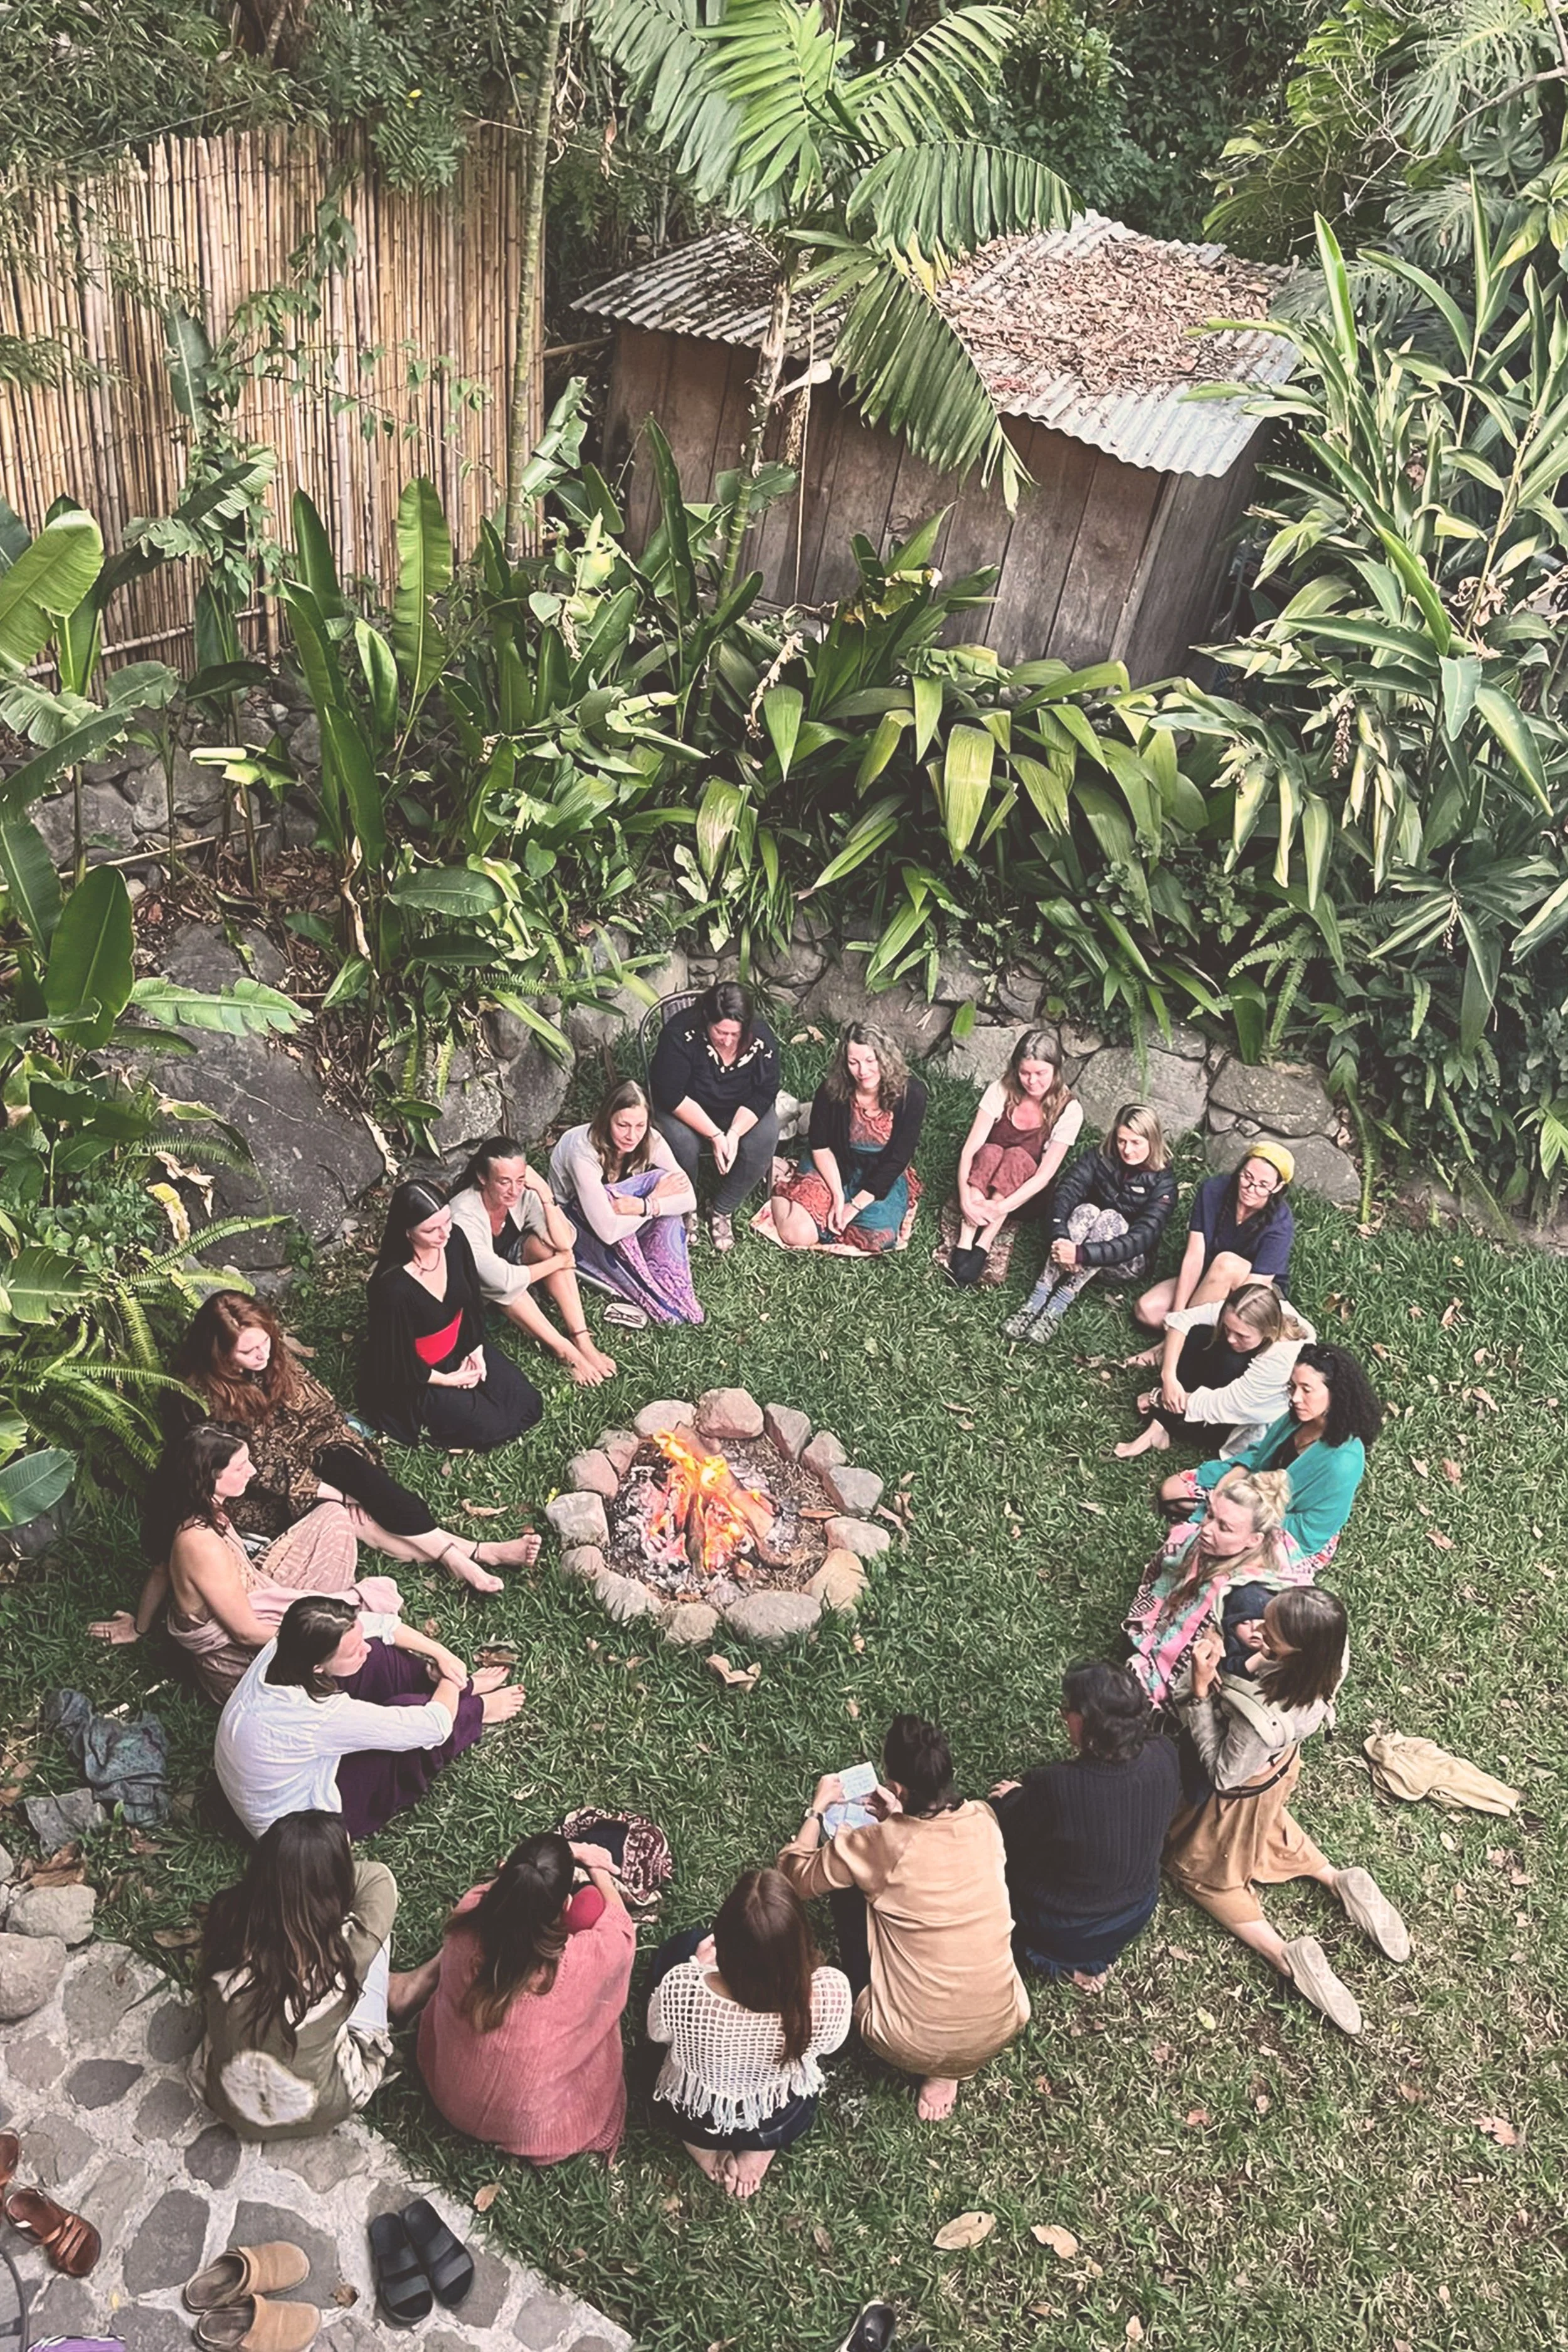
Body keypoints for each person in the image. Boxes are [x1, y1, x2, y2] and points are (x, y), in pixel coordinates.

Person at [90, 1294, 539, 1639]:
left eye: (264, 1342)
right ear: (220, 1355)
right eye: (247, 1352)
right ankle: (470, 1553)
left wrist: (343, 1459)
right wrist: (329, 1491)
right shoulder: (199, 1398)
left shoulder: (273, 1358)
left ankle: (465, 1554)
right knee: (356, 1516)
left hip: (314, 1445)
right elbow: (255, 1465)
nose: (261, 1355)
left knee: (369, 1486)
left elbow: (322, 1409)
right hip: (257, 1489)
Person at [1165, 1587, 1411, 2033]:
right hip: (1279, 1770)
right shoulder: (1329, 1657)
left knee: (1205, 1873)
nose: (1257, 1629)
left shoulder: (1258, 1715)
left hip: (1239, 1793)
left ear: (1293, 1650)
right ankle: (1334, 1878)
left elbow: (1224, 1774)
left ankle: (1283, 1954)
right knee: (1268, 1826)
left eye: (1270, 1632)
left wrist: (1199, 1693)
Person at [778, 1715, 1028, 2122]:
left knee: (848, 1888)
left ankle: (927, 2048)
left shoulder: (878, 1843)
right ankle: (951, 2069)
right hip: (1001, 2022)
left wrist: (816, 1809)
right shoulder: (984, 1820)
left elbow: (795, 1878)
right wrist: (898, 1815)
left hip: (900, 2038)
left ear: (896, 1788)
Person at [394, 1831, 637, 2164]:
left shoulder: (469, 1913)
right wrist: (598, 1870)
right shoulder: (584, 1962)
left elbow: (506, 1885)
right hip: (529, 2126)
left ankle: (415, 1987)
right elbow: (622, 1931)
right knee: (593, 1905)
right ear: (564, 1906)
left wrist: (568, 1851)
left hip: (447, 2091)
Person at [215, 1592, 522, 1841]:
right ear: (317, 1668)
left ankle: (459, 1690)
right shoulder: (315, 1716)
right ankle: (477, 1709)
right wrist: (450, 1680)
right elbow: (434, 1726)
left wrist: (442, 1655)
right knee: (412, 1711)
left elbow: (383, 1626)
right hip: (302, 1823)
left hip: (278, 1773)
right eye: (351, 1651)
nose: (363, 1648)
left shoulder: (291, 1644)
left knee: (379, 1655)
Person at [125, 1424, 389, 1703]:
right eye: (240, 1467)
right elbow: (245, 1633)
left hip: (255, 1591)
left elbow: (160, 1572)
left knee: (333, 1516)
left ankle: (325, 1614)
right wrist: (325, 1640)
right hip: (242, 1655)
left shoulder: (196, 1505)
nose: (252, 1471)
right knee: (353, 1647)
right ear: (209, 1477)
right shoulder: (200, 1544)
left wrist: (139, 1627)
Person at [193, 1811, 404, 2141]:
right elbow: (379, 1878)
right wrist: (333, 1868)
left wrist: (299, 1874)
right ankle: (399, 1997)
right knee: (376, 1933)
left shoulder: (227, 1926)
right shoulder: (344, 1952)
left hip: (221, 2092)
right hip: (321, 2106)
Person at [646, 1869, 852, 2198]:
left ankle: (703, 2145)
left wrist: (697, 1968)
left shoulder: (683, 1986)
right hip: (776, 2114)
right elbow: (830, 2045)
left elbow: (657, 2034)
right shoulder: (831, 1991)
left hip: (700, 2115)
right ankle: (762, 2145)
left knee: (680, 1946)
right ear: (801, 1941)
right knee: (798, 2093)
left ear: (724, 1941)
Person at [990, 1663, 1180, 1991]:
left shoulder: (1059, 1786)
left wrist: (1012, 1798)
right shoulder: (1165, 1753)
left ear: (1084, 1721)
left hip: (1065, 1925)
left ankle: (1065, 1962)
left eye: (1067, 1709)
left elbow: (1012, 1831)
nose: (1063, 1715)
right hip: (1136, 1910)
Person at [1158, 1343, 1382, 1569]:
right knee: (1172, 1492)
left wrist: (1245, 1518)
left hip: (1288, 1526)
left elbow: (1313, 1528)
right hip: (1252, 1489)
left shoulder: (1343, 1462)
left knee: (1217, 1562)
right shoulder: (1298, 1416)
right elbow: (1259, 1455)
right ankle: (1216, 1527)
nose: (1296, 1398)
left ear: (1336, 1394)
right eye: (1293, 1386)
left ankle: (1218, 1532)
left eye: (1306, 1390)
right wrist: (1225, 1487)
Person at [361, 1182, 543, 1449]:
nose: (444, 1233)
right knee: (494, 1428)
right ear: (407, 1232)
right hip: (417, 1375)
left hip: (459, 1345)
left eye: (447, 1221)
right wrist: (448, 1380)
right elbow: (395, 1360)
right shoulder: (392, 1287)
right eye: (431, 1230)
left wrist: (475, 1348)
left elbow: (471, 1300)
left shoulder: (455, 1240)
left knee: (528, 1405)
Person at [447, 1136, 617, 1387]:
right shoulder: (464, 1215)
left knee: (548, 1248)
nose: (514, 1190)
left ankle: (581, 1338)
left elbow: (564, 1243)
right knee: (511, 1285)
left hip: (509, 1264)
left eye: (520, 1180)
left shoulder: (524, 1194)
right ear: (483, 1178)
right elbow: (502, 1281)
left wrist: (546, 1195)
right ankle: (564, 1350)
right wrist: (557, 1263)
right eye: (504, 1182)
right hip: (475, 1287)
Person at [1004, 1105, 1175, 1343]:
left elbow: (1141, 1238)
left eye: (1136, 1143)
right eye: (1122, 1141)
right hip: (1078, 1243)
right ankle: (1036, 1299)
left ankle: (1058, 1305)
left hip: (1125, 1261)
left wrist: (1082, 1254)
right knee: (1087, 1210)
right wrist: (1060, 1237)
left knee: (1110, 1218)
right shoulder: (1101, 1155)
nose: (1127, 1150)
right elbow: (1066, 1191)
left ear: (1152, 1140)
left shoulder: (1164, 1183)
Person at [933, 1030, 1083, 1289]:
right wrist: (966, 1200)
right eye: (1025, 1073)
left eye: (1040, 1073)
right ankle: (966, 1239)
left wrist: (999, 1208)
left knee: (1017, 1157)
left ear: (1056, 1070)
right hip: (983, 1176)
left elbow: (1044, 1176)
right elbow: (970, 1149)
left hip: (1024, 1196)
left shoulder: (1069, 1110)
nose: (1032, 1081)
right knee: (991, 1151)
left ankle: (984, 1243)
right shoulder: (1001, 1090)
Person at [549, 1081, 702, 1327]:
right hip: (578, 1222)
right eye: (623, 1126)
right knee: (643, 1191)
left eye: (640, 1126)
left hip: (628, 1213)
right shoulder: (583, 1150)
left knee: (663, 1181)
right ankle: (659, 1302)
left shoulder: (650, 1139)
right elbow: (608, 1231)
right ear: (606, 1120)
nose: (632, 1135)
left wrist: (646, 1206)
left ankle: (676, 1287)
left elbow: (689, 1198)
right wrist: (652, 1202)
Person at [768, 1025, 926, 1256]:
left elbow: (898, 1159)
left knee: (878, 1239)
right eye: (854, 1062)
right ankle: (779, 1183)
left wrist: (854, 1206)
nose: (863, 1071)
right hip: (834, 1165)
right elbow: (820, 1146)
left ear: (885, 1058)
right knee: (796, 1234)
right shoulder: (830, 1091)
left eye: (871, 1061)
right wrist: (837, 1195)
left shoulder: (912, 1095)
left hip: (879, 1174)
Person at [1114, 1283, 1316, 1461]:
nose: (1231, 1338)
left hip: (1243, 1416)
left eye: (1242, 1336)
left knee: (1230, 1359)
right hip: (1228, 1396)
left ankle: (1164, 1423)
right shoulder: (1247, 1310)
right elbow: (1181, 1321)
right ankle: (1159, 1428)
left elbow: (1226, 1404)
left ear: (1269, 1331)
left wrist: (1159, 1398)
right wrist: (1168, 1378)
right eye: (1228, 1328)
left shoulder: (1281, 1360)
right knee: (1199, 1333)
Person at [649, 982, 783, 1251]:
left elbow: (765, 1091)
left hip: (737, 1108)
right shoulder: (681, 1034)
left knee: (766, 1135)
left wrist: (733, 1133)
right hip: (684, 1107)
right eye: (721, 1032)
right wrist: (714, 1135)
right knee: (682, 1143)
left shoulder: (760, 1039)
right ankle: (685, 1204)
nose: (728, 1040)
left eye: (735, 1034)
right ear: (706, 1020)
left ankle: (723, 1208)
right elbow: (670, 1094)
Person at [1133, 1144, 1296, 1330]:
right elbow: (1195, 1255)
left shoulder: (1281, 1221)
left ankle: (1181, 1338)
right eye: (1247, 1177)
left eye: (1263, 1185)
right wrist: (1178, 1313)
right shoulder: (1214, 1189)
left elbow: (1257, 1285)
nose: (1251, 1188)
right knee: (1147, 1310)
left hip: (1253, 1290)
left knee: (1226, 1264)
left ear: (1278, 1187)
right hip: (1210, 1275)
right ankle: (1197, 1331)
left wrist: (1183, 1324)